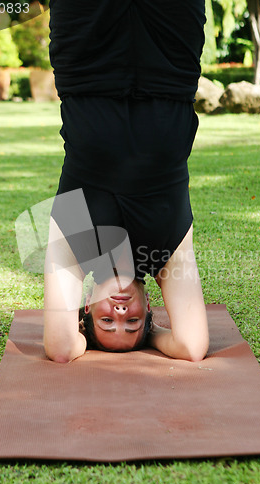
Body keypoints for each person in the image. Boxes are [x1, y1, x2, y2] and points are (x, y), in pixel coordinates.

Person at [44, 0, 209, 363]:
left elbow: (60, 347)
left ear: (84, 306)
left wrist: (86, 335)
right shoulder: (166, 253)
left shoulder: (76, 241)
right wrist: (151, 335)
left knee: (5, 9)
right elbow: (191, 346)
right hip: (169, 58)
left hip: (86, 55)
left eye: (106, 321)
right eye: (133, 323)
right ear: (150, 307)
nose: (120, 315)